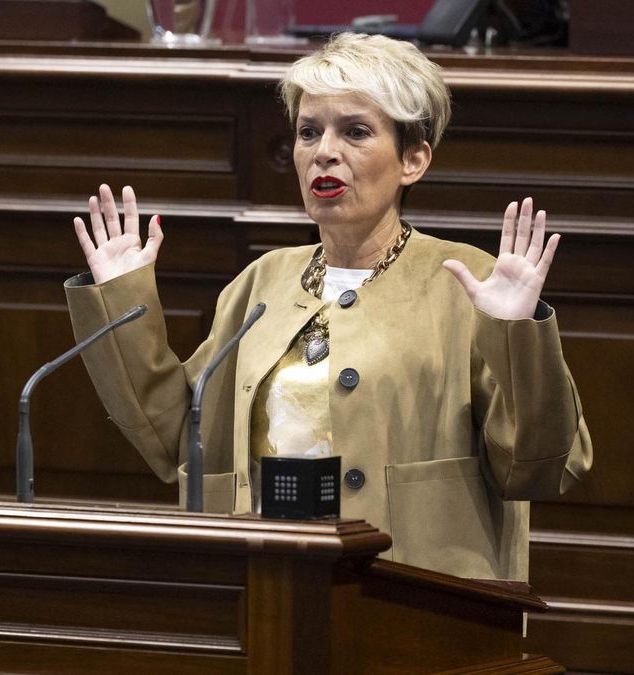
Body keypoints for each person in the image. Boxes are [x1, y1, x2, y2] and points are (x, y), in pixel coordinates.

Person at [64, 33, 592, 581]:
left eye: (356, 132)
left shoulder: (466, 282)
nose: (324, 151)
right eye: (309, 132)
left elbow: (543, 466)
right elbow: (172, 437)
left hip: (416, 597)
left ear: (413, 159)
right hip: (267, 584)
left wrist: (515, 334)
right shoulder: (261, 282)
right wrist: (122, 295)